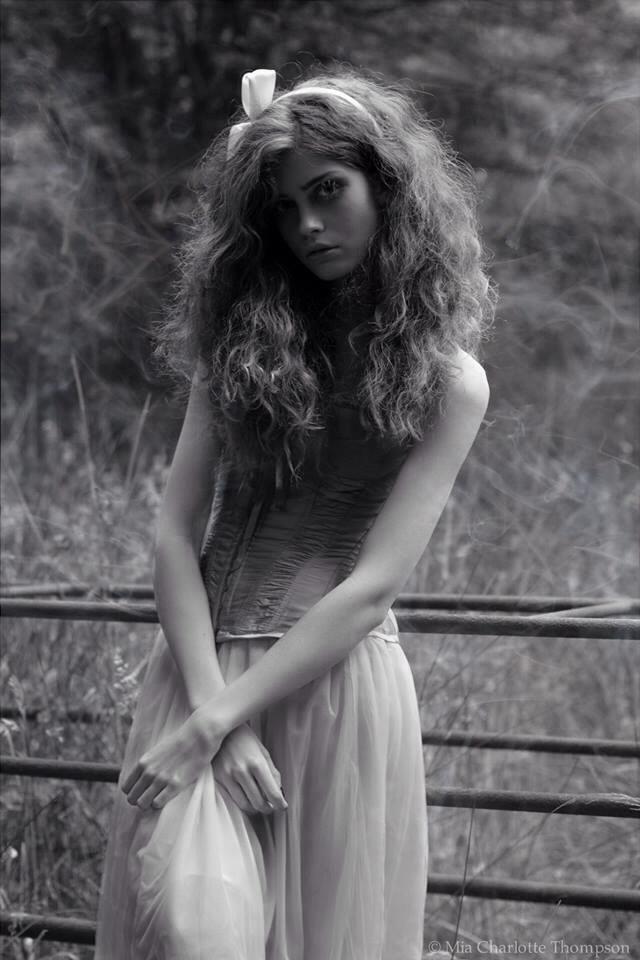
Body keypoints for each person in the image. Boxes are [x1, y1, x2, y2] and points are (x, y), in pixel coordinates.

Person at [95, 65, 495, 960]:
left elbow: (373, 587)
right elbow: (174, 534)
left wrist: (216, 725)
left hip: (334, 693)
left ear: (386, 189)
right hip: (198, 673)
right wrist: (214, 719)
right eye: (283, 207)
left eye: (328, 191)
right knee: (191, 931)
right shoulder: (239, 349)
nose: (308, 223)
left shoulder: (450, 384)